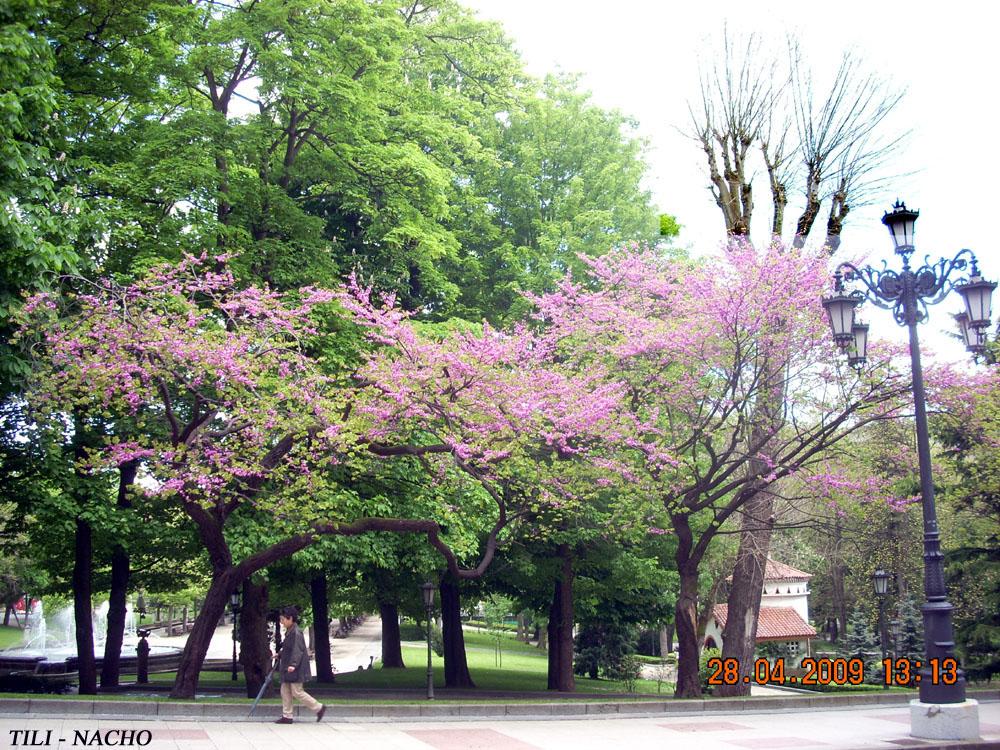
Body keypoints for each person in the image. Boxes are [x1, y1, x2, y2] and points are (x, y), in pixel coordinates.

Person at [274, 605, 325, 724]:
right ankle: (287, 716)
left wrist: (293, 664)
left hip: (295, 668)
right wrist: (280, 654)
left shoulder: (296, 632)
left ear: (290, 618)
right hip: (289, 667)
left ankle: (319, 708)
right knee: (285, 690)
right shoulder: (291, 631)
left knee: (297, 691)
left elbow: (298, 650)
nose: (281, 622)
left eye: (283, 619)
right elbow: (288, 648)